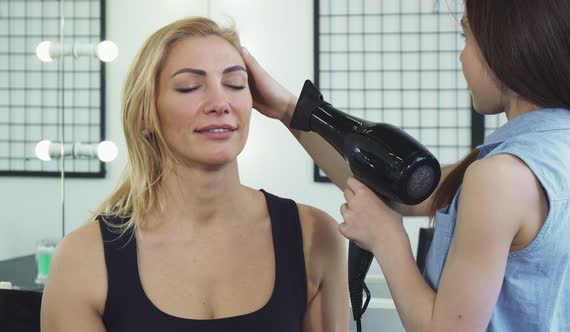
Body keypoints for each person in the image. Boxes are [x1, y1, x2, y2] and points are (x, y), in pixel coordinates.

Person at [240, 0, 570, 330]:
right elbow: (402, 192)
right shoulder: (558, 148)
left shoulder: (502, 177)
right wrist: (290, 110)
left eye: (466, 36)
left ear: (511, 45)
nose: (461, 56)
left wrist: (387, 238)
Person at [40, 17, 349, 332]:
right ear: (146, 112)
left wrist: (288, 107)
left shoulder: (314, 236)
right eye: (189, 86)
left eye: (235, 84)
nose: (220, 103)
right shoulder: (83, 259)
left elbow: (392, 196)